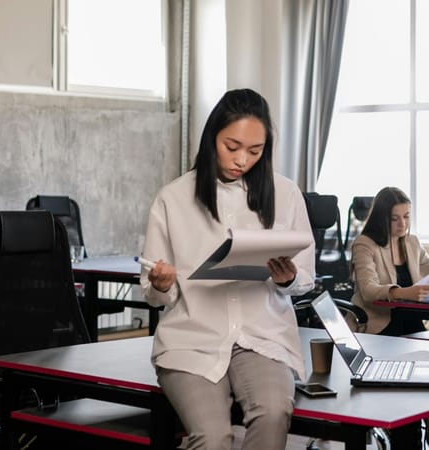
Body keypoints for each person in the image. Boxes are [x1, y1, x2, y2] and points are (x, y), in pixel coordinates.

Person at [139, 88, 315, 450]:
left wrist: (289, 278)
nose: (242, 160)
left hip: (263, 338)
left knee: (272, 413)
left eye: (255, 151)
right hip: (192, 340)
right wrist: (161, 283)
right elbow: (155, 295)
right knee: (213, 437)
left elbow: (305, 276)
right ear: (211, 137)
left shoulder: (286, 194)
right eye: (231, 146)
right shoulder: (173, 198)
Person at [349, 186, 429, 449]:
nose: (402, 224)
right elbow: (368, 289)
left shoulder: (412, 242)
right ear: (381, 218)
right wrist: (404, 292)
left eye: (407, 216)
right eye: (395, 218)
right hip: (379, 325)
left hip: (409, 321)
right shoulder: (365, 244)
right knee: (415, 374)